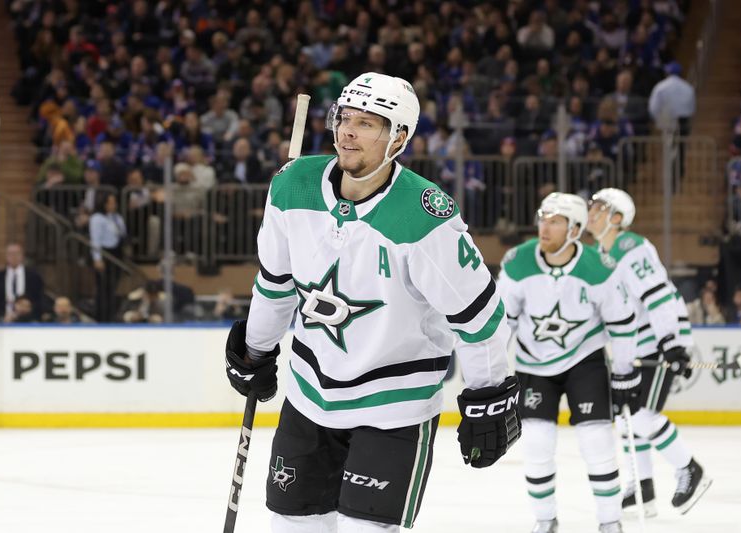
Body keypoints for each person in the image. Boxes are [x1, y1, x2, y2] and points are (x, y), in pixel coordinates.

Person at [224, 72, 520, 533]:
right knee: (291, 526)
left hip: (393, 408)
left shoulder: (424, 215)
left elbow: (479, 317)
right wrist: (255, 351)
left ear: (398, 137)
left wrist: (489, 392)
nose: (347, 131)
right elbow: (275, 283)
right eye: (344, 118)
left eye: (366, 123)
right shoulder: (292, 186)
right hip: (309, 396)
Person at [497, 192, 638, 533]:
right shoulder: (517, 261)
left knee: (597, 442)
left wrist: (624, 372)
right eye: (543, 218)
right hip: (533, 365)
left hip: (584, 360)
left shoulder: (599, 267)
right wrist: (496, 373)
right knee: (537, 443)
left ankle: (609, 521)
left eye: (555, 221)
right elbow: (503, 324)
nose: (545, 227)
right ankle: (545, 520)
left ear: (575, 229)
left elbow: (622, 323)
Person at [587, 188, 712, 517]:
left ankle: (689, 469)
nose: (591, 211)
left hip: (658, 339)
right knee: (627, 417)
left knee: (642, 414)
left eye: (598, 207)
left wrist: (671, 342)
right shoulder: (600, 253)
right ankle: (642, 486)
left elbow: (657, 294)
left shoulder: (631, 247)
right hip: (635, 344)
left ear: (616, 217)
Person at [89, 193, 126, 322]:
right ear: (104, 204)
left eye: (114, 202)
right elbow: (96, 240)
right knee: (104, 287)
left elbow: (122, 233)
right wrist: (97, 258)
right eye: (111, 202)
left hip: (116, 253)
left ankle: (110, 315)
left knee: (112, 287)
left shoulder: (116, 217)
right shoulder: (97, 218)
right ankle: (102, 317)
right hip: (105, 254)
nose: (114, 205)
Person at [0, 243, 45, 322]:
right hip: (3, 321)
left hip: (28, 321)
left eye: (16, 253)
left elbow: (38, 299)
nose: (13, 256)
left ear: (22, 256)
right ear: (6, 256)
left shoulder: (34, 277)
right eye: (10, 254)